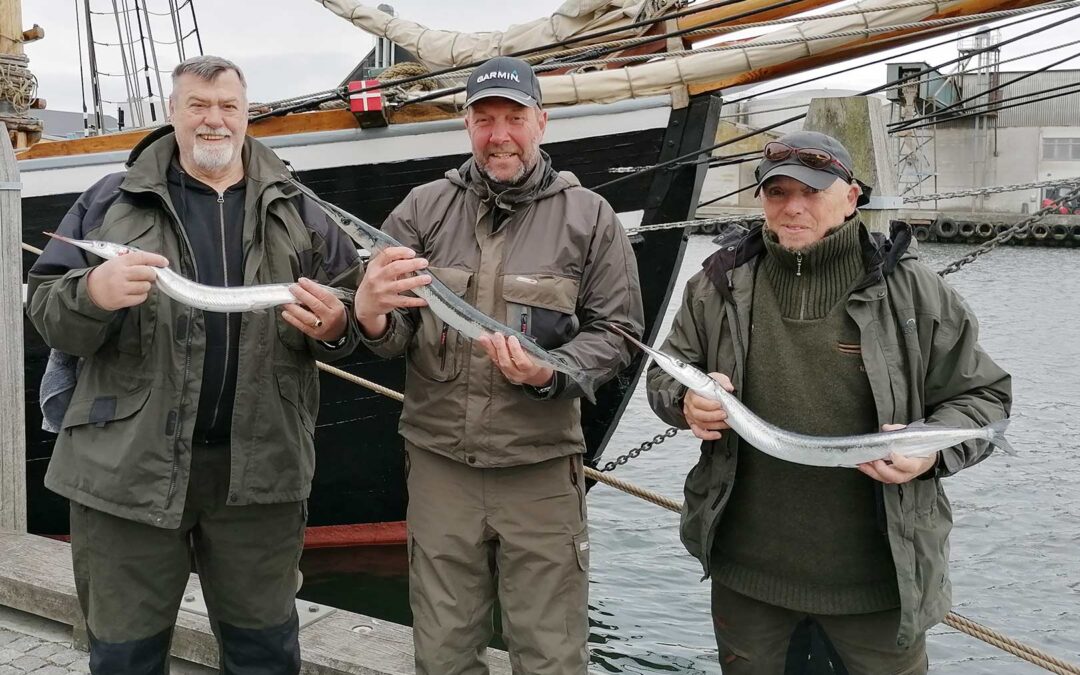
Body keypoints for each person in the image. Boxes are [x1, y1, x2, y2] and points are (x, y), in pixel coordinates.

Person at [26, 55, 363, 674]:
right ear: (172, 113)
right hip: (126, 472)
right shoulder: (109, 200)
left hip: (259, 475)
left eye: (227, 106)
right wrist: (92, 294)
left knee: (263, 654)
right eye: (198, 106)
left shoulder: (299, 205)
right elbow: (46, 308)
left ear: (246, 113)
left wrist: (339, 326)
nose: (214, 120)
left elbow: (360, 313)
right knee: (124, 656)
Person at [645, 131, 1012, 674]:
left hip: (877, 589)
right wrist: (684, 401)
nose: (793, 207)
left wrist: (929, 454)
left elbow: (985, 397)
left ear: (851, 196)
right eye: (778, 193)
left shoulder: (915, 291)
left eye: (812, 192)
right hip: (748, 583)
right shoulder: (716, 285)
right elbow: (665, 373)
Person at [353, 55, 644, 674]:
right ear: (467, 126)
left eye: (513, 117)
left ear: (541, 121)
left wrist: (550, 372)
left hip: (538, 468)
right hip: (439, 467)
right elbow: (393, 329)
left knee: (550, 653)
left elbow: (618, 334)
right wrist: (372, 313)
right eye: (485, 119)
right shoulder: (422, 209)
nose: (499, 134)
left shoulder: (591, 217)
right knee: (442, 651)